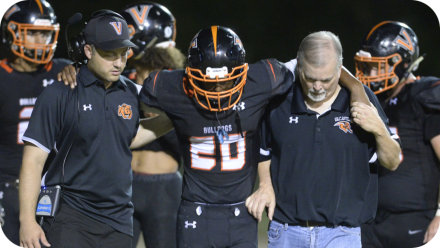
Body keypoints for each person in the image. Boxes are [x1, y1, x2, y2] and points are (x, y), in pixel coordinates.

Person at [137, 26, 370, 248]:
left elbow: (311, 63)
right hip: (195, 212)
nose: (218, 89)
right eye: (209, 83)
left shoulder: (261, 80)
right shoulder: (172, 87)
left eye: (226, 81)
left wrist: (355, 85)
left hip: (242, 212)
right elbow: (129, 96)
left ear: (243, 71)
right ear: (191, 74)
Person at [18, 10, 171, 248]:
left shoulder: (131, 92)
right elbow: (33, 161)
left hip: (119, 221)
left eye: (123, 53)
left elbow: (126, 137)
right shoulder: (60, 93)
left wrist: (174, 119)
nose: (119, 62)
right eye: (110, 54)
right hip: (69, 218)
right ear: (88, 51)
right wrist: (27, 221)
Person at [256, 31, 401, 248]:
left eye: (326, 80)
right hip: (286, 232)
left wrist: (379, 129)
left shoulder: (362, 100)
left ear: (340, 69)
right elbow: (263, 149)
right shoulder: (279, 100)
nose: (318, 87)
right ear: (299, 66)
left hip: (342, 234)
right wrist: (265, 185)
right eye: (311, 78)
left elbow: (393, 160)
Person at [354, 21, 440, 248]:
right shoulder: (374, 101)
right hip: (372, 220)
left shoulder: (423, 98)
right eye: (367, 66)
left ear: (401, 64)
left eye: (377, 67)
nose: (369, 73)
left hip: (414, 220)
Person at [0, 0, 70, 245]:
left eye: (46, 34)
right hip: (8, 186)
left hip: (53, 187)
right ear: (13, 34)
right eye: (34, 34)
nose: (42, 41)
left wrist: (76, 71)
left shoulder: (63, 71)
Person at [121, 2, 184, 248]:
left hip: (163, 189)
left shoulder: (177, 82)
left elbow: (181, 141)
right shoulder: (122, 76)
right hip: (122, 183)